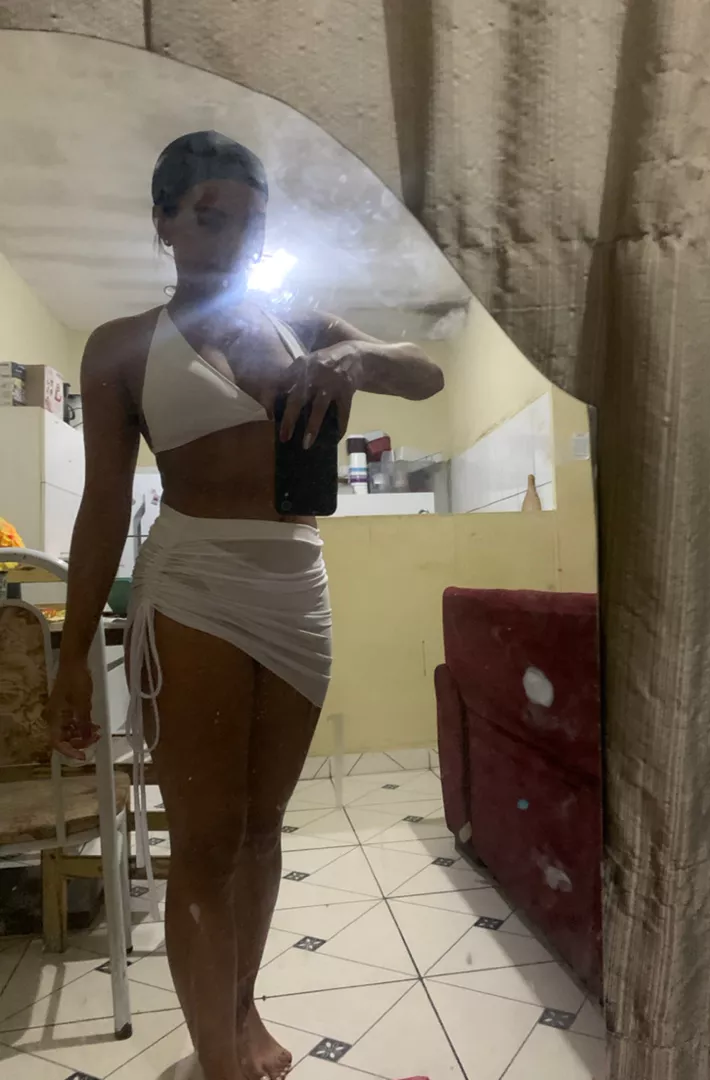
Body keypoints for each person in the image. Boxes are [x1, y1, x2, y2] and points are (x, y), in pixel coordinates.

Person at [44, 131, 444, 1080]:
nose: (234, 240)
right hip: (194, 585)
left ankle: (241, 1009)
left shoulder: (301, 322)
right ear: (165, 223)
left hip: (297, 585)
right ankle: (218, 1060)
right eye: (211, 218)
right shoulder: (121, 346)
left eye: (251, 223)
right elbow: (103, 507)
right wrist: (72, 658)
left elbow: (425, 372)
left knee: (264, 832)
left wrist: (356, 357)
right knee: (207, 839)